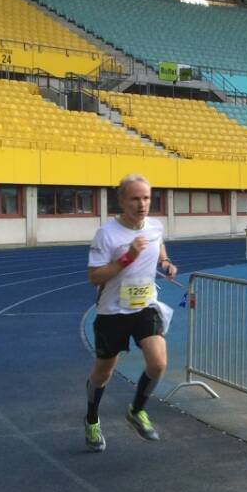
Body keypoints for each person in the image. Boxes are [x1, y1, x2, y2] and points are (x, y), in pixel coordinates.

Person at [83, 174, 176, 451]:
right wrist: (128, 257)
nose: (142, 204)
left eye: (146, 198)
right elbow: (94, 277)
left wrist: (166, 262)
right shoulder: (107, 234)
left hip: (145, 306)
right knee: (103, 373)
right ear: (122, 201)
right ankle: (91, 419)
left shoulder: (155, 226)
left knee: (158, 363)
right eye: (135, 198)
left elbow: (158, 243)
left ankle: (136, 410)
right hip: (112, 312)